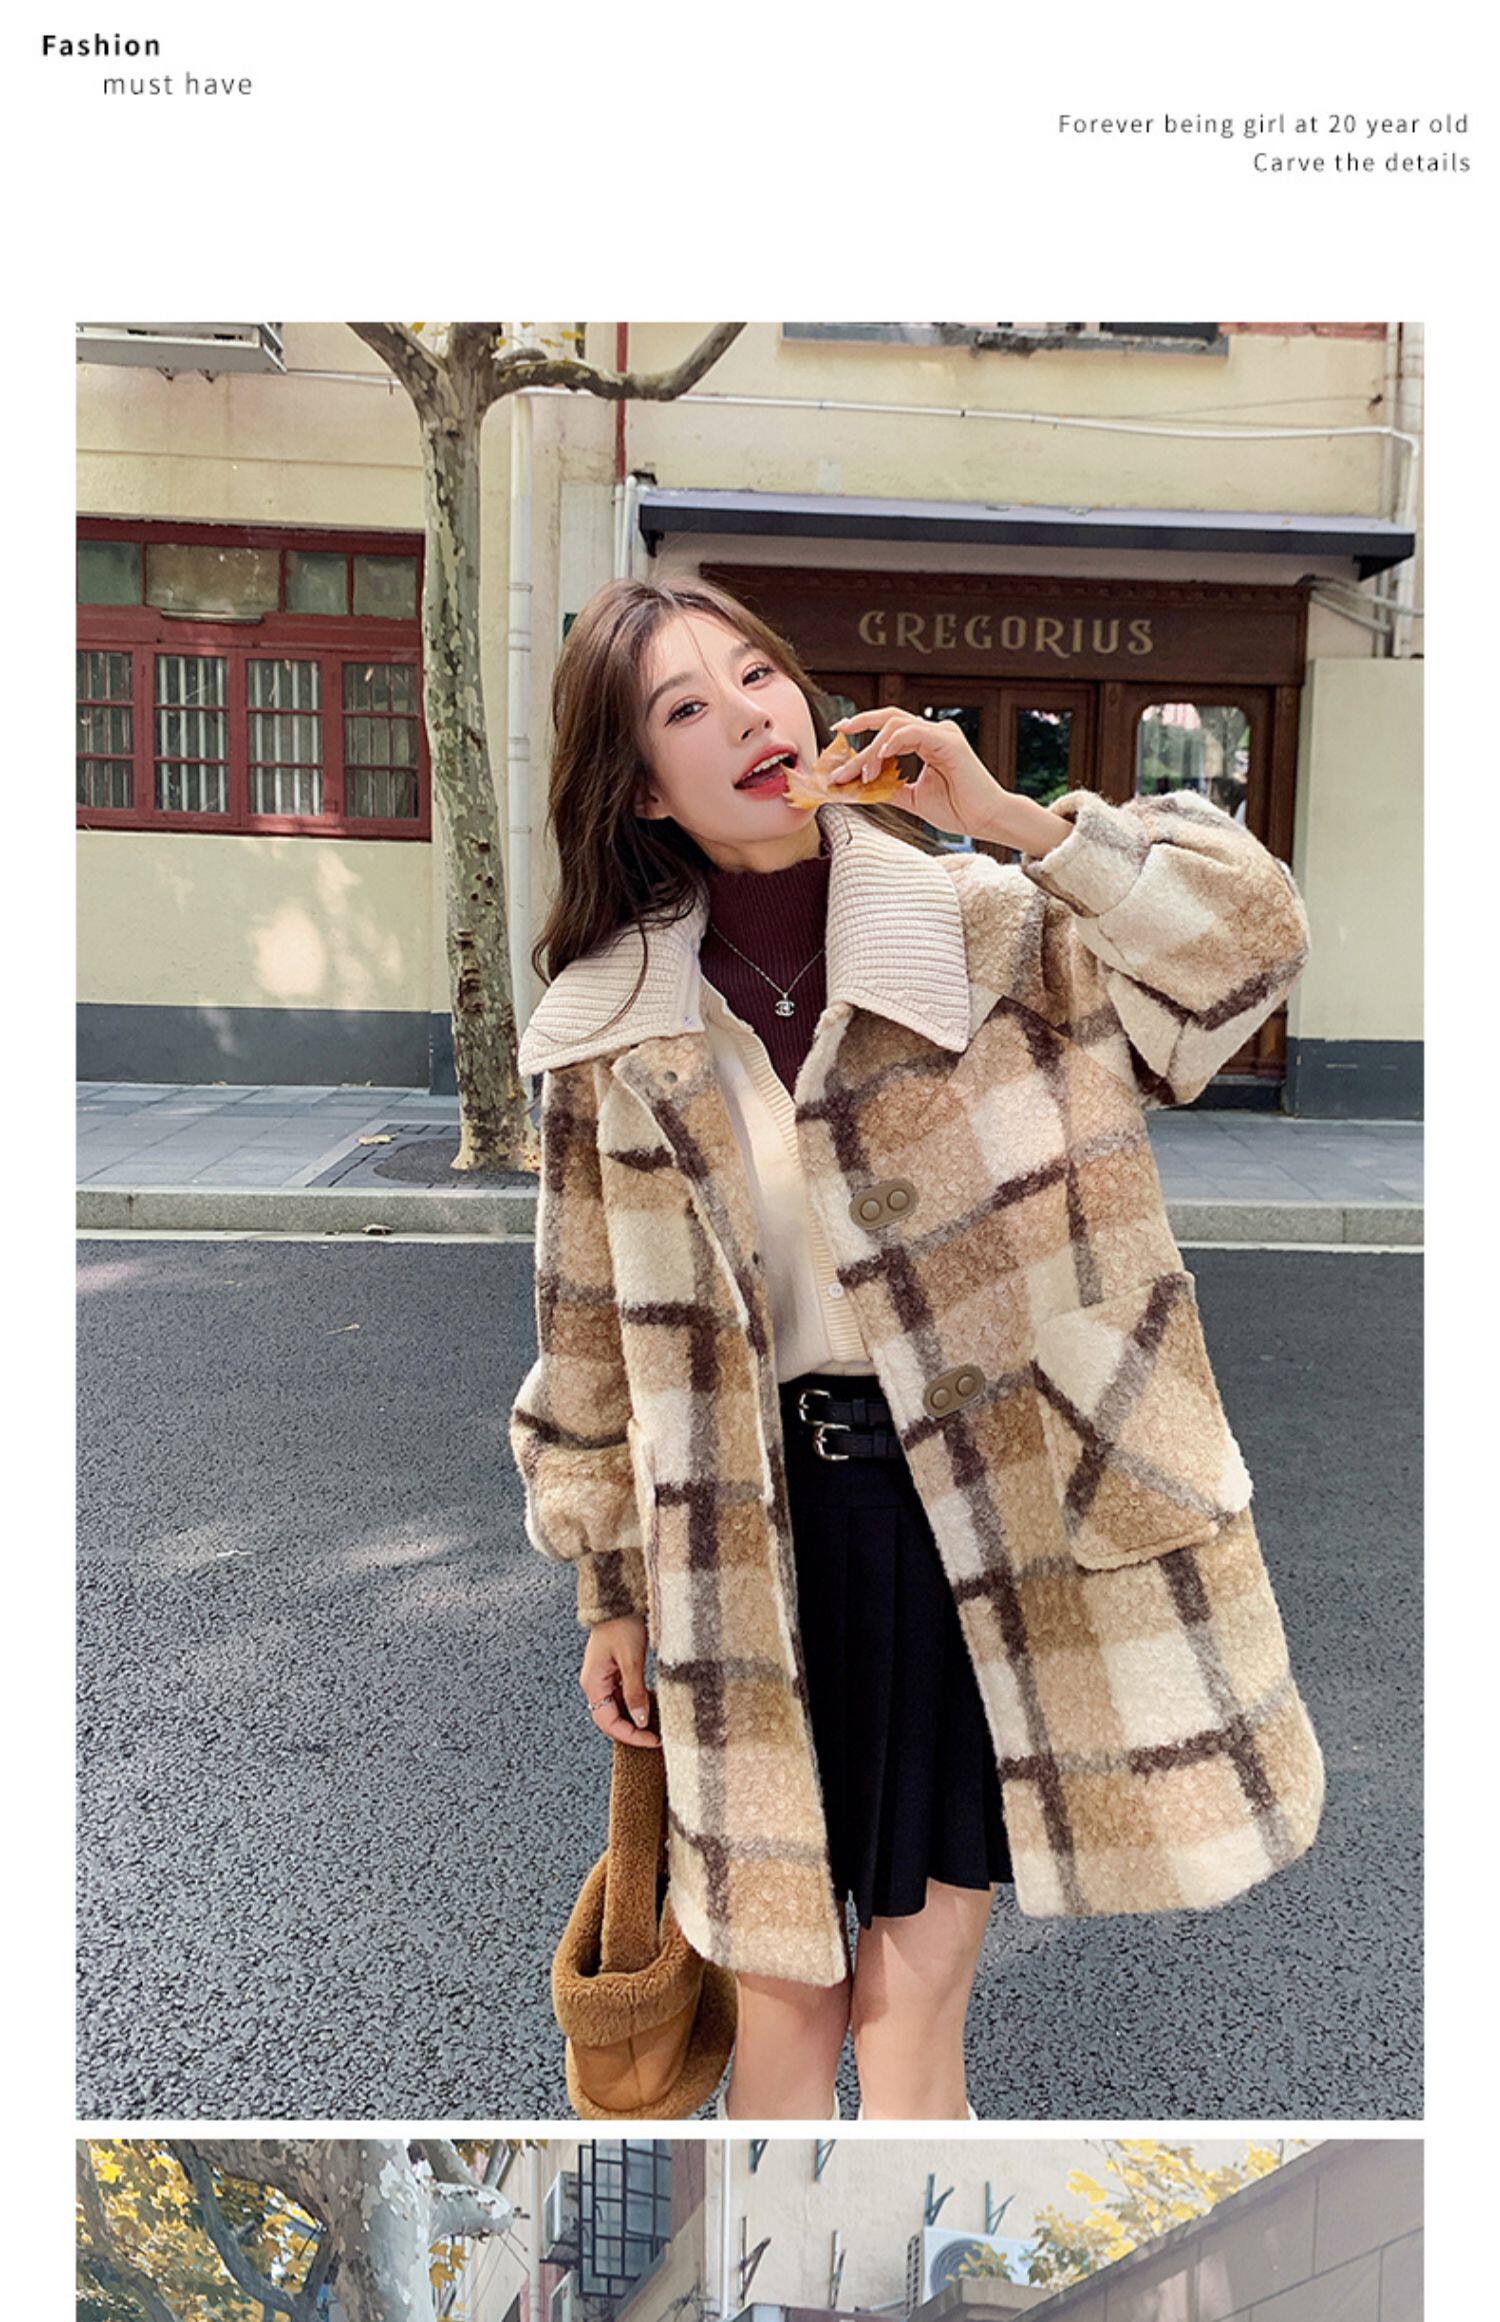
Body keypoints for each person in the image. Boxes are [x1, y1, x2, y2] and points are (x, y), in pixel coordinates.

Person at [510, 578, 1324, 2122]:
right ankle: (764, 2244)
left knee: (913, 1988)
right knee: (782, 1998)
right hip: (746, 1540)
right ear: (642, 785)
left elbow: (1252, 941)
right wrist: (607, 1584)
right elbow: (588, 1331)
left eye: (757, 675)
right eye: (686, 707)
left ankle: (882, 2245)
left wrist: (1010, 820)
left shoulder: (992, 925)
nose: (747, 715)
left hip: (972, 1520)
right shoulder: (608, 1025)